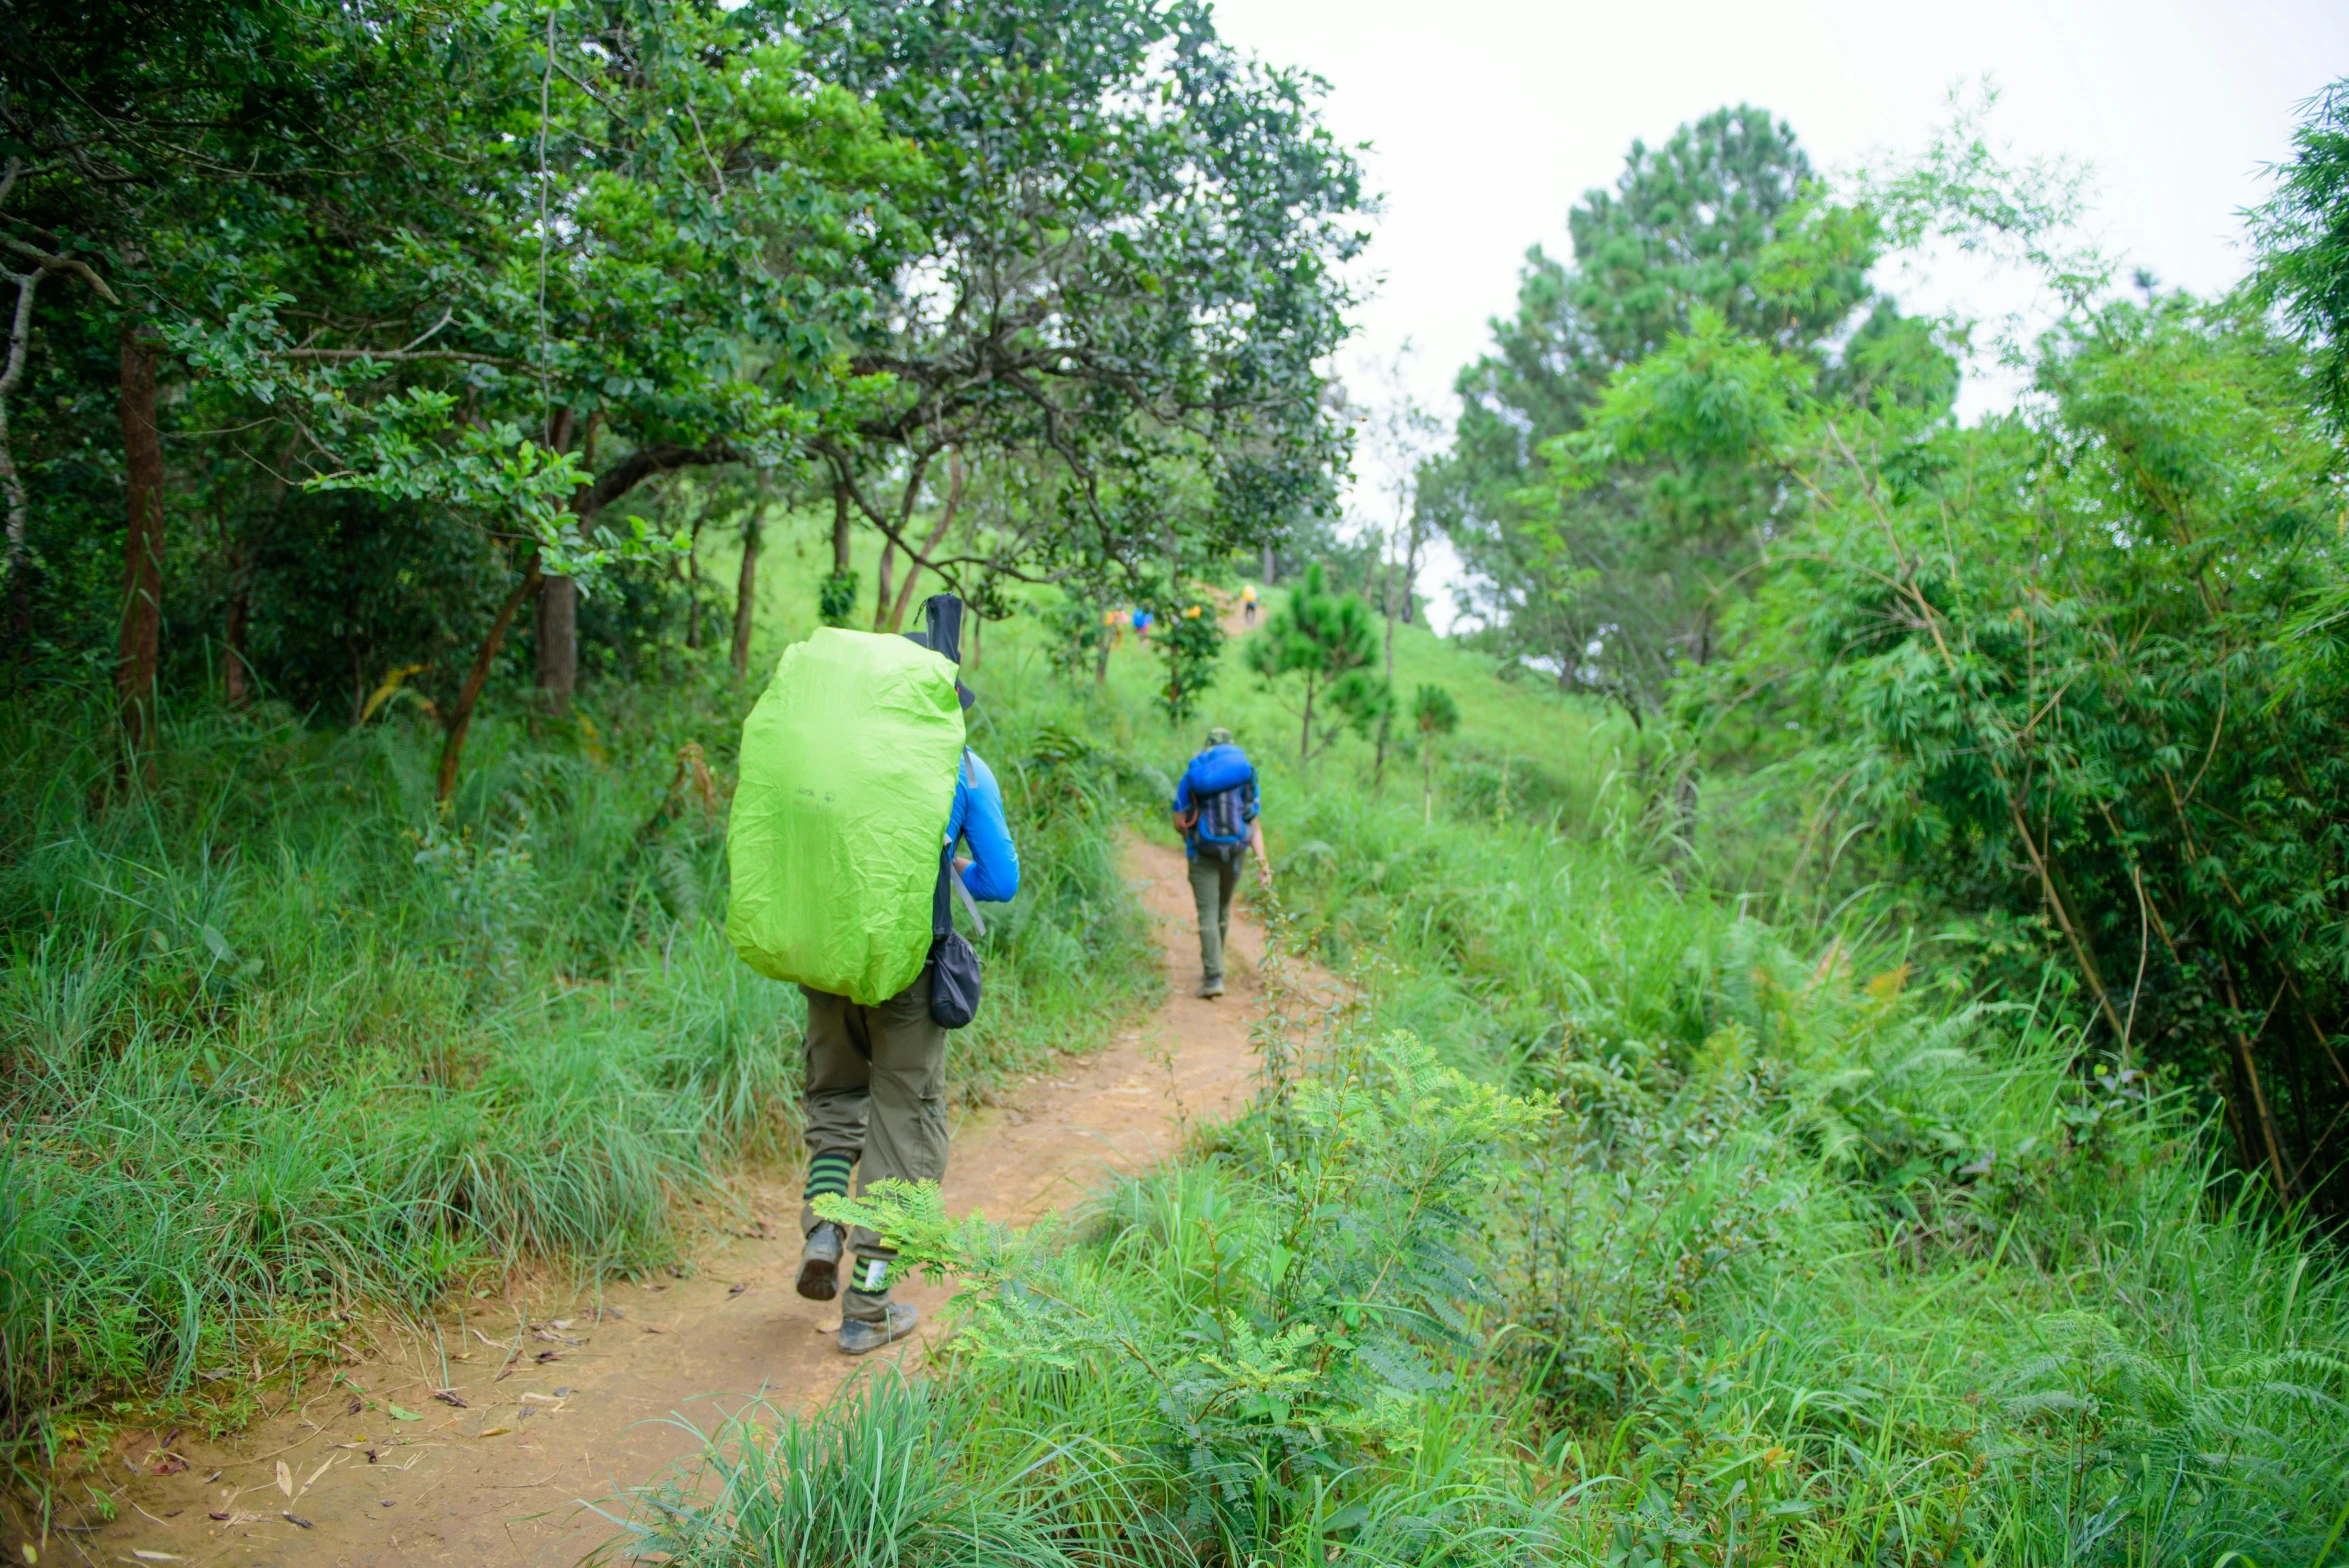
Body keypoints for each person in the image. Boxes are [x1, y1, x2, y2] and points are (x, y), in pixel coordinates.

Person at [795, 606, 1019, 1355]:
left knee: (836, 1099)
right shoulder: (962, 764)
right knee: (904, 1124)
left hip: (828, 957)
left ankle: (823, 1227)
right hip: (910, 971)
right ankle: (868, 1308)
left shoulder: (837, 752)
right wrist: (945, 870)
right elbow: (1001, 879)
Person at [1170, 726, 1270, 1000]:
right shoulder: (1244, 774)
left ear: (1208, 747)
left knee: (1207, 913)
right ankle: (1216, 966)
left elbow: (1179, 820)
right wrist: (1263, 863)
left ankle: (1214, 976)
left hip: (1203, 853)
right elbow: (1253, 822)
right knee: (1223, 909)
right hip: (1236, 852)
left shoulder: (1195, 775)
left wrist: (1190, 837)